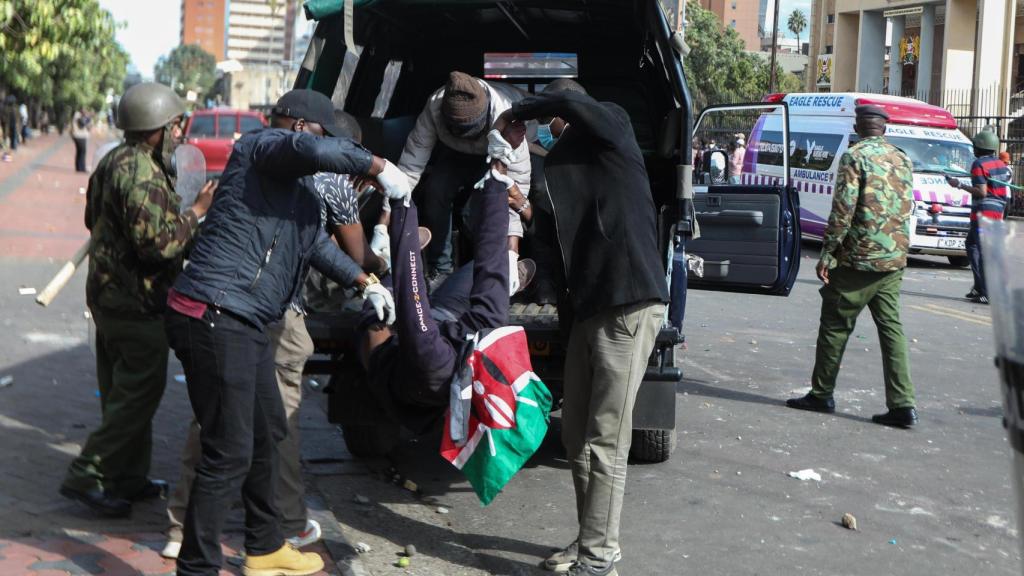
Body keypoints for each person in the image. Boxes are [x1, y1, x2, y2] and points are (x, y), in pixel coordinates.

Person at [165, 89, 407, 576]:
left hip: (248, 319)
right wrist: (380, 166)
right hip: (214, 311)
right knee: (228, 450)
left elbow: (316, 243)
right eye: (325, 138)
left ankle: (265, 546)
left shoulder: (297, 196)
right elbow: (311, 151)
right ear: (299, 127)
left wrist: (364, 282)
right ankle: (195, 567)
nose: (332, 157)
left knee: (268, 430)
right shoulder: (259, 148)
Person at [505, 81, 668, 576]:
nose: (552, 133)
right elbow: (558, 238)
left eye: (557, 122)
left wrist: (522, 110)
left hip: (627, 304)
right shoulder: (583, 168)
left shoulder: (613, 130)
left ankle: (599, 561)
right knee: (576, 435)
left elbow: (578, 105)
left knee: (605, 440)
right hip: (588, 310)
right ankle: (591, 541)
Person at [58, 83, 215, 517]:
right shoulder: (143, 173)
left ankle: (127, 477)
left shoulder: (112, 160)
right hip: (136, 303)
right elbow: (160, 246)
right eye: (175, 126)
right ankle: (86, 474)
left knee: (119, 392)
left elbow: (93, 218)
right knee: (139, 395)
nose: (180, 133)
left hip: (107, 297)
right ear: (156, 130)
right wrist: (197, 213)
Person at [787, 105, 918, 428]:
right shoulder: (902, 157)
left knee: (834, 326)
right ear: (884, 129)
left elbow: (843, 209)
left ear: (859, 127)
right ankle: (902, 404)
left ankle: (822, 394)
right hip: (893, 259)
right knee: (892, 330)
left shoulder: (854, 157)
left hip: (858, 259)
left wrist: (829, 253)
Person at [397, 71, 532, 291]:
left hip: (497, 153)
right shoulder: (435, 105)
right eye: (458, 130)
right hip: (454, 154)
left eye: (470, 130)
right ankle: (441, 268)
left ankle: (487, 270)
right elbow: (411, 164)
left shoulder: (510, 119)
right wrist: (389, 216)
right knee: (436, 190)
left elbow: (515, 193)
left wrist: (510, 255)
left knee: (482, 207)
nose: (464, 133)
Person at [947, 131, 1010, 305]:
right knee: (972, 245)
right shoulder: (1000, 164)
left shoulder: (978, 164)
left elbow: (981, 192)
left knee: (982, 251)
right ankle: (979, 286)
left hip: (984, 211)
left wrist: (958, 184)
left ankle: (987, 292)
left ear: (980, 147)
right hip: (998, 211)